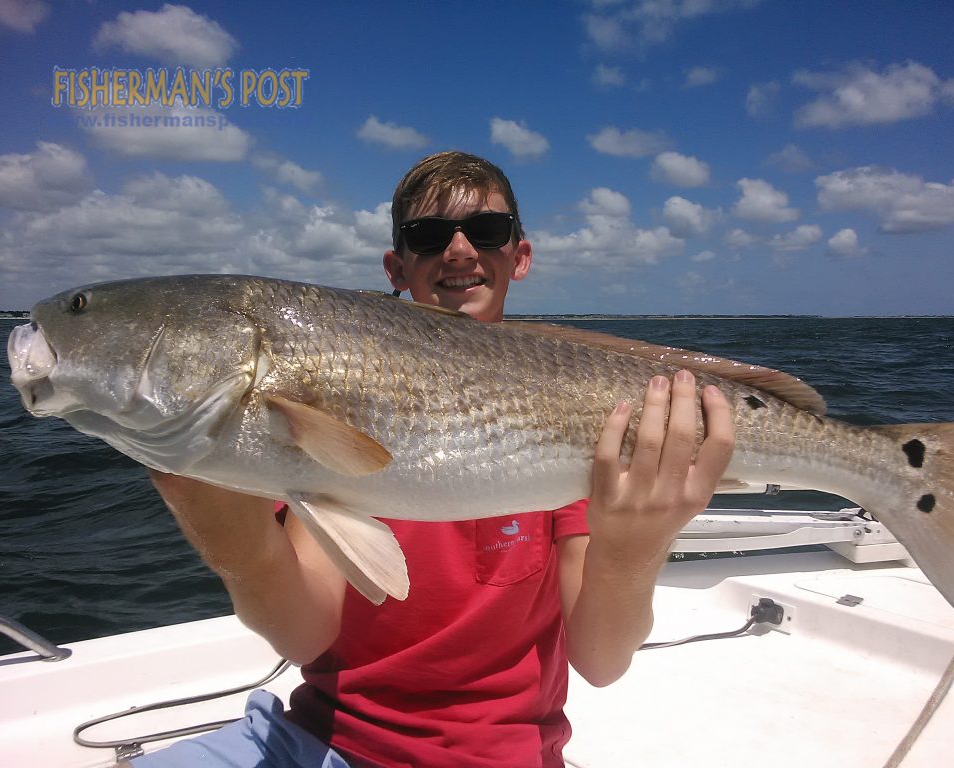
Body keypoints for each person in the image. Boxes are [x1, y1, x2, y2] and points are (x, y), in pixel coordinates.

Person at [132, 151, 735, 768]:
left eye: (487, 232)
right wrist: (224, 526)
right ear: (397, 267)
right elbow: (302, 635)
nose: (458, 251)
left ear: (518, 256)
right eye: (428, 237)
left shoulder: (587, 420)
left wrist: (635, 551)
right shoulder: (335, 394)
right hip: (320, 741)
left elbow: (603, 662)